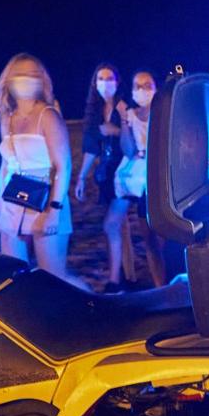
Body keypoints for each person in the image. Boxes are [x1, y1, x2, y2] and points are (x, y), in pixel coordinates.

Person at [0, 53, 72, 277]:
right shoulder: (7, 118)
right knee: (12, 278)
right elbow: (6, 166)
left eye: (32, 75)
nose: (26, 80)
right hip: (12, 203)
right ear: (8, 80)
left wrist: (54, 211)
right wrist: (2, 211)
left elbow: (63, 166)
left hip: (46, 200)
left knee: (54, 280)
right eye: (20, 75)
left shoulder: (47, 116)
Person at [74, 63, 134, 292]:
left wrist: (116, 129)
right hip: (106, 174)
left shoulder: (125, 106)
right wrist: (81, 177)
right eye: (100, 78)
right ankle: (122, 274)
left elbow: (136, 142)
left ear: (118, 82)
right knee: (115, 226)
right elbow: (91, 147)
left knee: (111, 224)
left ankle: (114, 281)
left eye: (110, 78)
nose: (105, 83)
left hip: (127, 173)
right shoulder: (95, 110)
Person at [113, 70, 167, 286]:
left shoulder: (164, 112)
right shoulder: (131, 115)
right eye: (137, 86)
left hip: (162, 176)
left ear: (156, 87)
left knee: (164, 236)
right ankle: (159, 286)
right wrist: (124, 121)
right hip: (141, 179)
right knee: (149, 238)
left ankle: (169, 282)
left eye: (147, 85)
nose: (142, 90)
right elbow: (127, 149)